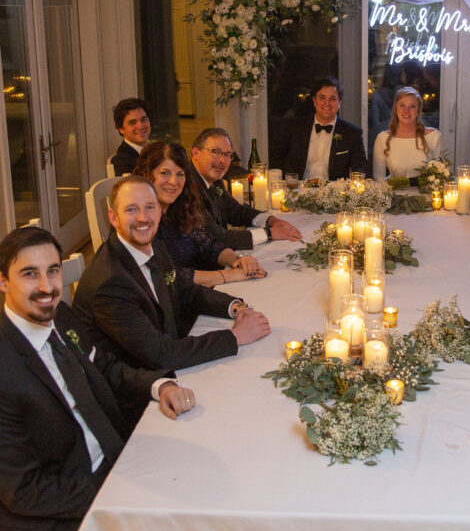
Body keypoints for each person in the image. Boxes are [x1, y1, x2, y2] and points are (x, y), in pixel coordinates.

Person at [0, 225, 218, 531]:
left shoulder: (59, 317)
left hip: (105, 460)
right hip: (47, 517)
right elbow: (24, 492)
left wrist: (159, 386)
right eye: (28, 274)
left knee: (200, 461)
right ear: (3, 282)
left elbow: (107, 367)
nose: (45, 286)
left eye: (53, 271)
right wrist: (118, 487)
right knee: (158, 505)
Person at [73, 176, 270, 372]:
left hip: (166, 356)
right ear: (114, 217)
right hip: (141, 383)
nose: (143, 217)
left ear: (159, 212)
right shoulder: (110, 283)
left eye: (150, 207)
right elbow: (161, 355)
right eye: (131, 209)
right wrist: (235, 336)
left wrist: (235, 307)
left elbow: (186, 291)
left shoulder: (153, 246)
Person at [134, 140, 267, 288]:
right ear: (146, 174)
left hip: (197, 294)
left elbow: (208, 244)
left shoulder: (179, 207)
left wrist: (237, 260)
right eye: (164, 173)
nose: (174, 181)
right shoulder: (141, 221)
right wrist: (228, 275)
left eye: (180, 174)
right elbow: (168, 275)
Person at [190, 127, 301, 248]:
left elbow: (235, 211)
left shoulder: (213, 178)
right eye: (216, 152)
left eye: (227, 154)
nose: (222, 160)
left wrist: (270, 220)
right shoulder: (187, 187)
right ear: (196, 153)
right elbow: (215, 237)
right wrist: (269, 233)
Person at [281, 76, 369, 181]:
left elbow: (360, 167)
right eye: (322, 98)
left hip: (334, 193)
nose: (327, 103)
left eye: (332, 99)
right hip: (299, 189)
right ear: (314, 101)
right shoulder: (295, 128)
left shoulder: (352, 133)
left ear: (339, 102)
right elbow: (279, 159)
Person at [372, 86, 444, 180]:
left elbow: (443, 177)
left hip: (428, 194)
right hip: (394, 193)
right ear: (396, 109)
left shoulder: (434, 137)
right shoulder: (382, 138)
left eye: (412, 106)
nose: (406, 110)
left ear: (418, 111)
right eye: (402, 105)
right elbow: (378, 179)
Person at [110, 97, 151, 176]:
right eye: (132, 122)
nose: (140, 126)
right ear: (121, 129)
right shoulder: (123, 162)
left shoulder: (156, 151)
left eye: (143, 120)